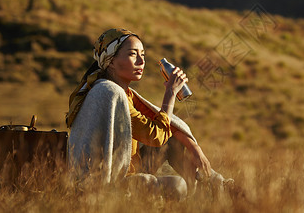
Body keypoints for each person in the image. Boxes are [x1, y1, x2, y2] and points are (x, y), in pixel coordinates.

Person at [66, 28, 229, 199]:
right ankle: (209, 190)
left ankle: (219, 185)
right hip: (112, 185)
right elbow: (155, 135)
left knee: (174, 141)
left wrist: (193, 146)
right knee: (177, 186)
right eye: (132, 54)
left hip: (133, 170)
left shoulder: (123, 92)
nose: (140, 61)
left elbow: (163, 125)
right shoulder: (110, 92)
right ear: (111, 61)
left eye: (142, 54)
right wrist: (171, 93)